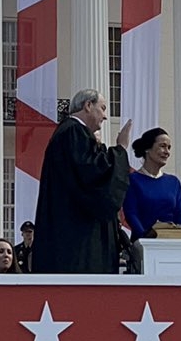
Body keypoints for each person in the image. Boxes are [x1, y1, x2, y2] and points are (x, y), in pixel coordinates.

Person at [33, 89, 132, 274]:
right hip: (77, 242)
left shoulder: (69, 132)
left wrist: (100, 148)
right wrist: (120, 149)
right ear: (88, 105)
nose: (105, 117)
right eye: (102, 108)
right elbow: (93, 175)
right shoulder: (73, 131)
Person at [123, 127, 181, 240]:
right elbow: (131, 213)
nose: (167, 152)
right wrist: (147, 237)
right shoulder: (132, 180)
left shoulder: (174, 182)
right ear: (148, 148)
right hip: (144, 244)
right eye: (162, 146)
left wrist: (180, 235)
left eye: (169, 148)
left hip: (173, 243)